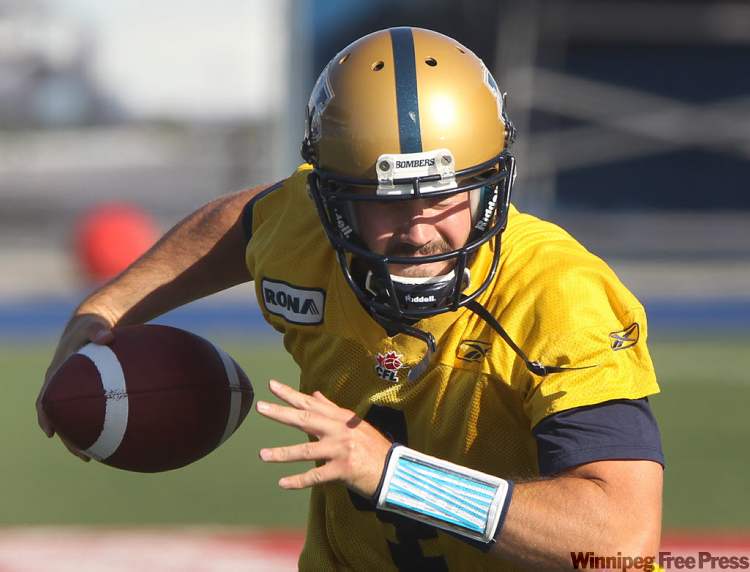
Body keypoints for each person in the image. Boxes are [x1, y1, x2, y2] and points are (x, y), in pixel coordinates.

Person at [37, 27, 664, 570]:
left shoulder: (559, 295)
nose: (418, 230)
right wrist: (107, 308)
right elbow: (242, 223)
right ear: (331, 200)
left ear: (491, 185)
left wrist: (398, 475)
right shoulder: (304, 229)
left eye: (443, 195)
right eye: (386, 201)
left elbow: (621, 542)